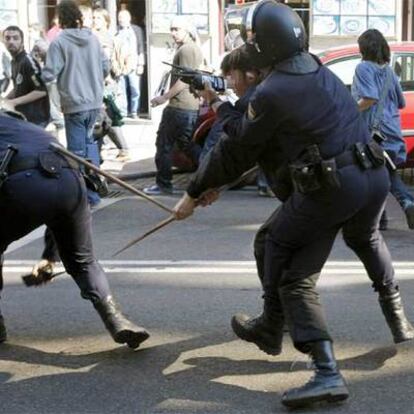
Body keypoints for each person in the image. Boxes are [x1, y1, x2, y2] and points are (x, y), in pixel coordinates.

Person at [172, 1, 413, 408]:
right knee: (355, 238)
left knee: (290, 270)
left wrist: (194, 192)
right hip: (371, 174)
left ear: (262, 46)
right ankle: (396, 320)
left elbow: (237, 149)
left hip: (333, 185)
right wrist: (228, 110)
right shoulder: (313, 67)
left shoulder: (274, 91)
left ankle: (323, 370)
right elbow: (256, 139)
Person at [0, 110, 149, 348]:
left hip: (24, 182)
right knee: (84, 261)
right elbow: (51, 191)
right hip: (71, 180)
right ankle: (116, 319)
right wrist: (49, 257)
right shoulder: (28, 130)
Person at [42, 0, 109, 207]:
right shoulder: (93, 39)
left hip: (74, 104)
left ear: (61, 19)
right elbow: (106, 66)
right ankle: (96, 189)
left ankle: (86, 197)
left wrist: (42, 67)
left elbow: (49, 74)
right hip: (94, 102)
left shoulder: (60, 42)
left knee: (77, 154)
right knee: (90, 148)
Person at [351, 29, 414, 230]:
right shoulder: (389, 71)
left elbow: (369, 98)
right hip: (392, 129)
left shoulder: (363, 69)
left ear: (364, 48)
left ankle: (402, 206)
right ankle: (384, 216)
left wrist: (350, 110)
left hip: (373, 131)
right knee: (380, 174)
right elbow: (401, 102)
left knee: (372, 173)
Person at [143, 15, 203, 196]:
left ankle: (163, 184)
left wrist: (164, 97)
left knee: (164, 145)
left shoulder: (187, 50)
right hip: (186, 107)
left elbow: (186, 79)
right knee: (185, 145)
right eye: (172, 29)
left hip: (179, 106)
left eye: (176, 29)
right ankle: (211, 174)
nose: (173, 33)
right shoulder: (191, 48)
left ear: (187, 30)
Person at [1, 25, 50, 127]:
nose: (11, 41)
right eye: (7, 38)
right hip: (24, 117)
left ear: (22, 41)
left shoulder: (27, 61)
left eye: (15, 38)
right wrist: (5, 99)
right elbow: (18, 86)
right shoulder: (13, 62)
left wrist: (14, 102)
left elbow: (41, 91)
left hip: (36, 119)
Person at [115, 10, 143, 119]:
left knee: (135, 89)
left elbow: (141, 47)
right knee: (121, 90)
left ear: (129, 18)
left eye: (123, 17)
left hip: (134, 64)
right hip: (120, 64)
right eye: (119, 17)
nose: (121, 19)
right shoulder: (116, 30)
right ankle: (123, 112)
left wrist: (141, 64)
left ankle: (134, 111)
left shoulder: (137, 30)